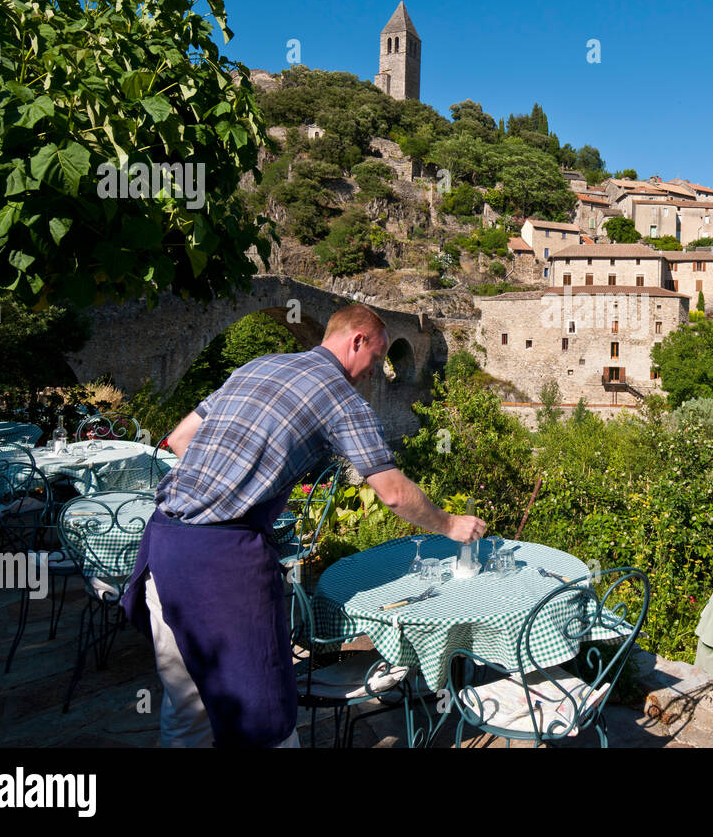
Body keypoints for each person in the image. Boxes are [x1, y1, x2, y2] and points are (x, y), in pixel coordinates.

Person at [122, 303, 484, 747]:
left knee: (188, 703)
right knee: (263, 716)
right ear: (358, 340)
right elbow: (391, 491)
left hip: (164, 545)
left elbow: (180, 439)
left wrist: (226, 486)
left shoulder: (258, 366)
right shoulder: (341, 398)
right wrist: (450, 525)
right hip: (222, 564)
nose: (377, 371)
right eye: (377, 358)